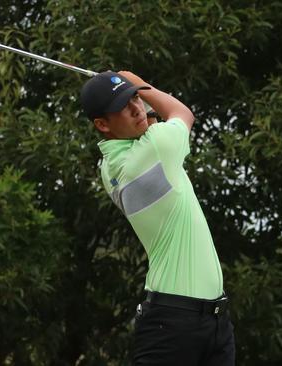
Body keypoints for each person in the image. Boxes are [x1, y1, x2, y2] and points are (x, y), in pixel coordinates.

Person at [80, 71, 235, 365]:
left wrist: (130, 91)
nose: (136, 109)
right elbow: (181, 113)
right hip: (175, 322)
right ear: (102, 124)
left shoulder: (112, 164)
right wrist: (138, 82)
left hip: (209, 320)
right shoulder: (154, 150)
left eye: (135, 99)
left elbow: (149, 123)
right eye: (122, 108)